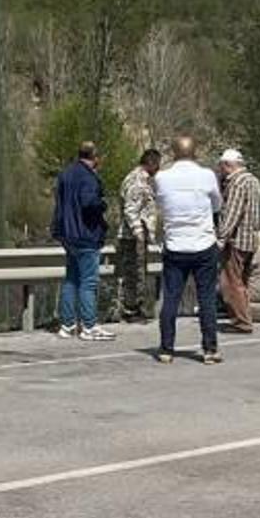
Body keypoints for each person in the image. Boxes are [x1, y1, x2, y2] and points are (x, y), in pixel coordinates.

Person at [153, 136, 224, 365]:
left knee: (171, 298)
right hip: (203, 243)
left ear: (173, 152)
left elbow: (161, 204)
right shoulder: (206, 175)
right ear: (195, 151)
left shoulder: (162, 178)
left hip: (175, 244)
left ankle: (166, 348)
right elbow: (217, 204)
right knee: (206, 298)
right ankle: (210, 349)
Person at [51, 141, 115, 341]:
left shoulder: (66, 174)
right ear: (95, 157)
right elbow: (89, 203)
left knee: (71, 279)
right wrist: (102, 204)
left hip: (68, 234)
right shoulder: (88, 178)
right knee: (88, 281)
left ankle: (67, 324)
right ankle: (89, 326)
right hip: (86, 234)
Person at [215, 148, 260, 334]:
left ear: (228, 165)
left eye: (221, 166)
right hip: (250, 238)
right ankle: (245, 316)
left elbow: (232, 213)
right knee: (242, 281)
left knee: (231, 282)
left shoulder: (236, 183)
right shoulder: (253, 180)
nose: (220, 170)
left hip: (236, 240)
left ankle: (241, 321)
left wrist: (221, 238)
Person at [116, 149, 162, 322]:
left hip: (136, 234)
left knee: (138, 273)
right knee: (134, 273)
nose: (157, 169)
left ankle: (136, 307)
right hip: (133, 236)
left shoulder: (140, 179)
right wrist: (139, 232)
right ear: (151, 163)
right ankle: (131, 309)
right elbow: (130, 209)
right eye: (157, 164)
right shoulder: (137, 181)